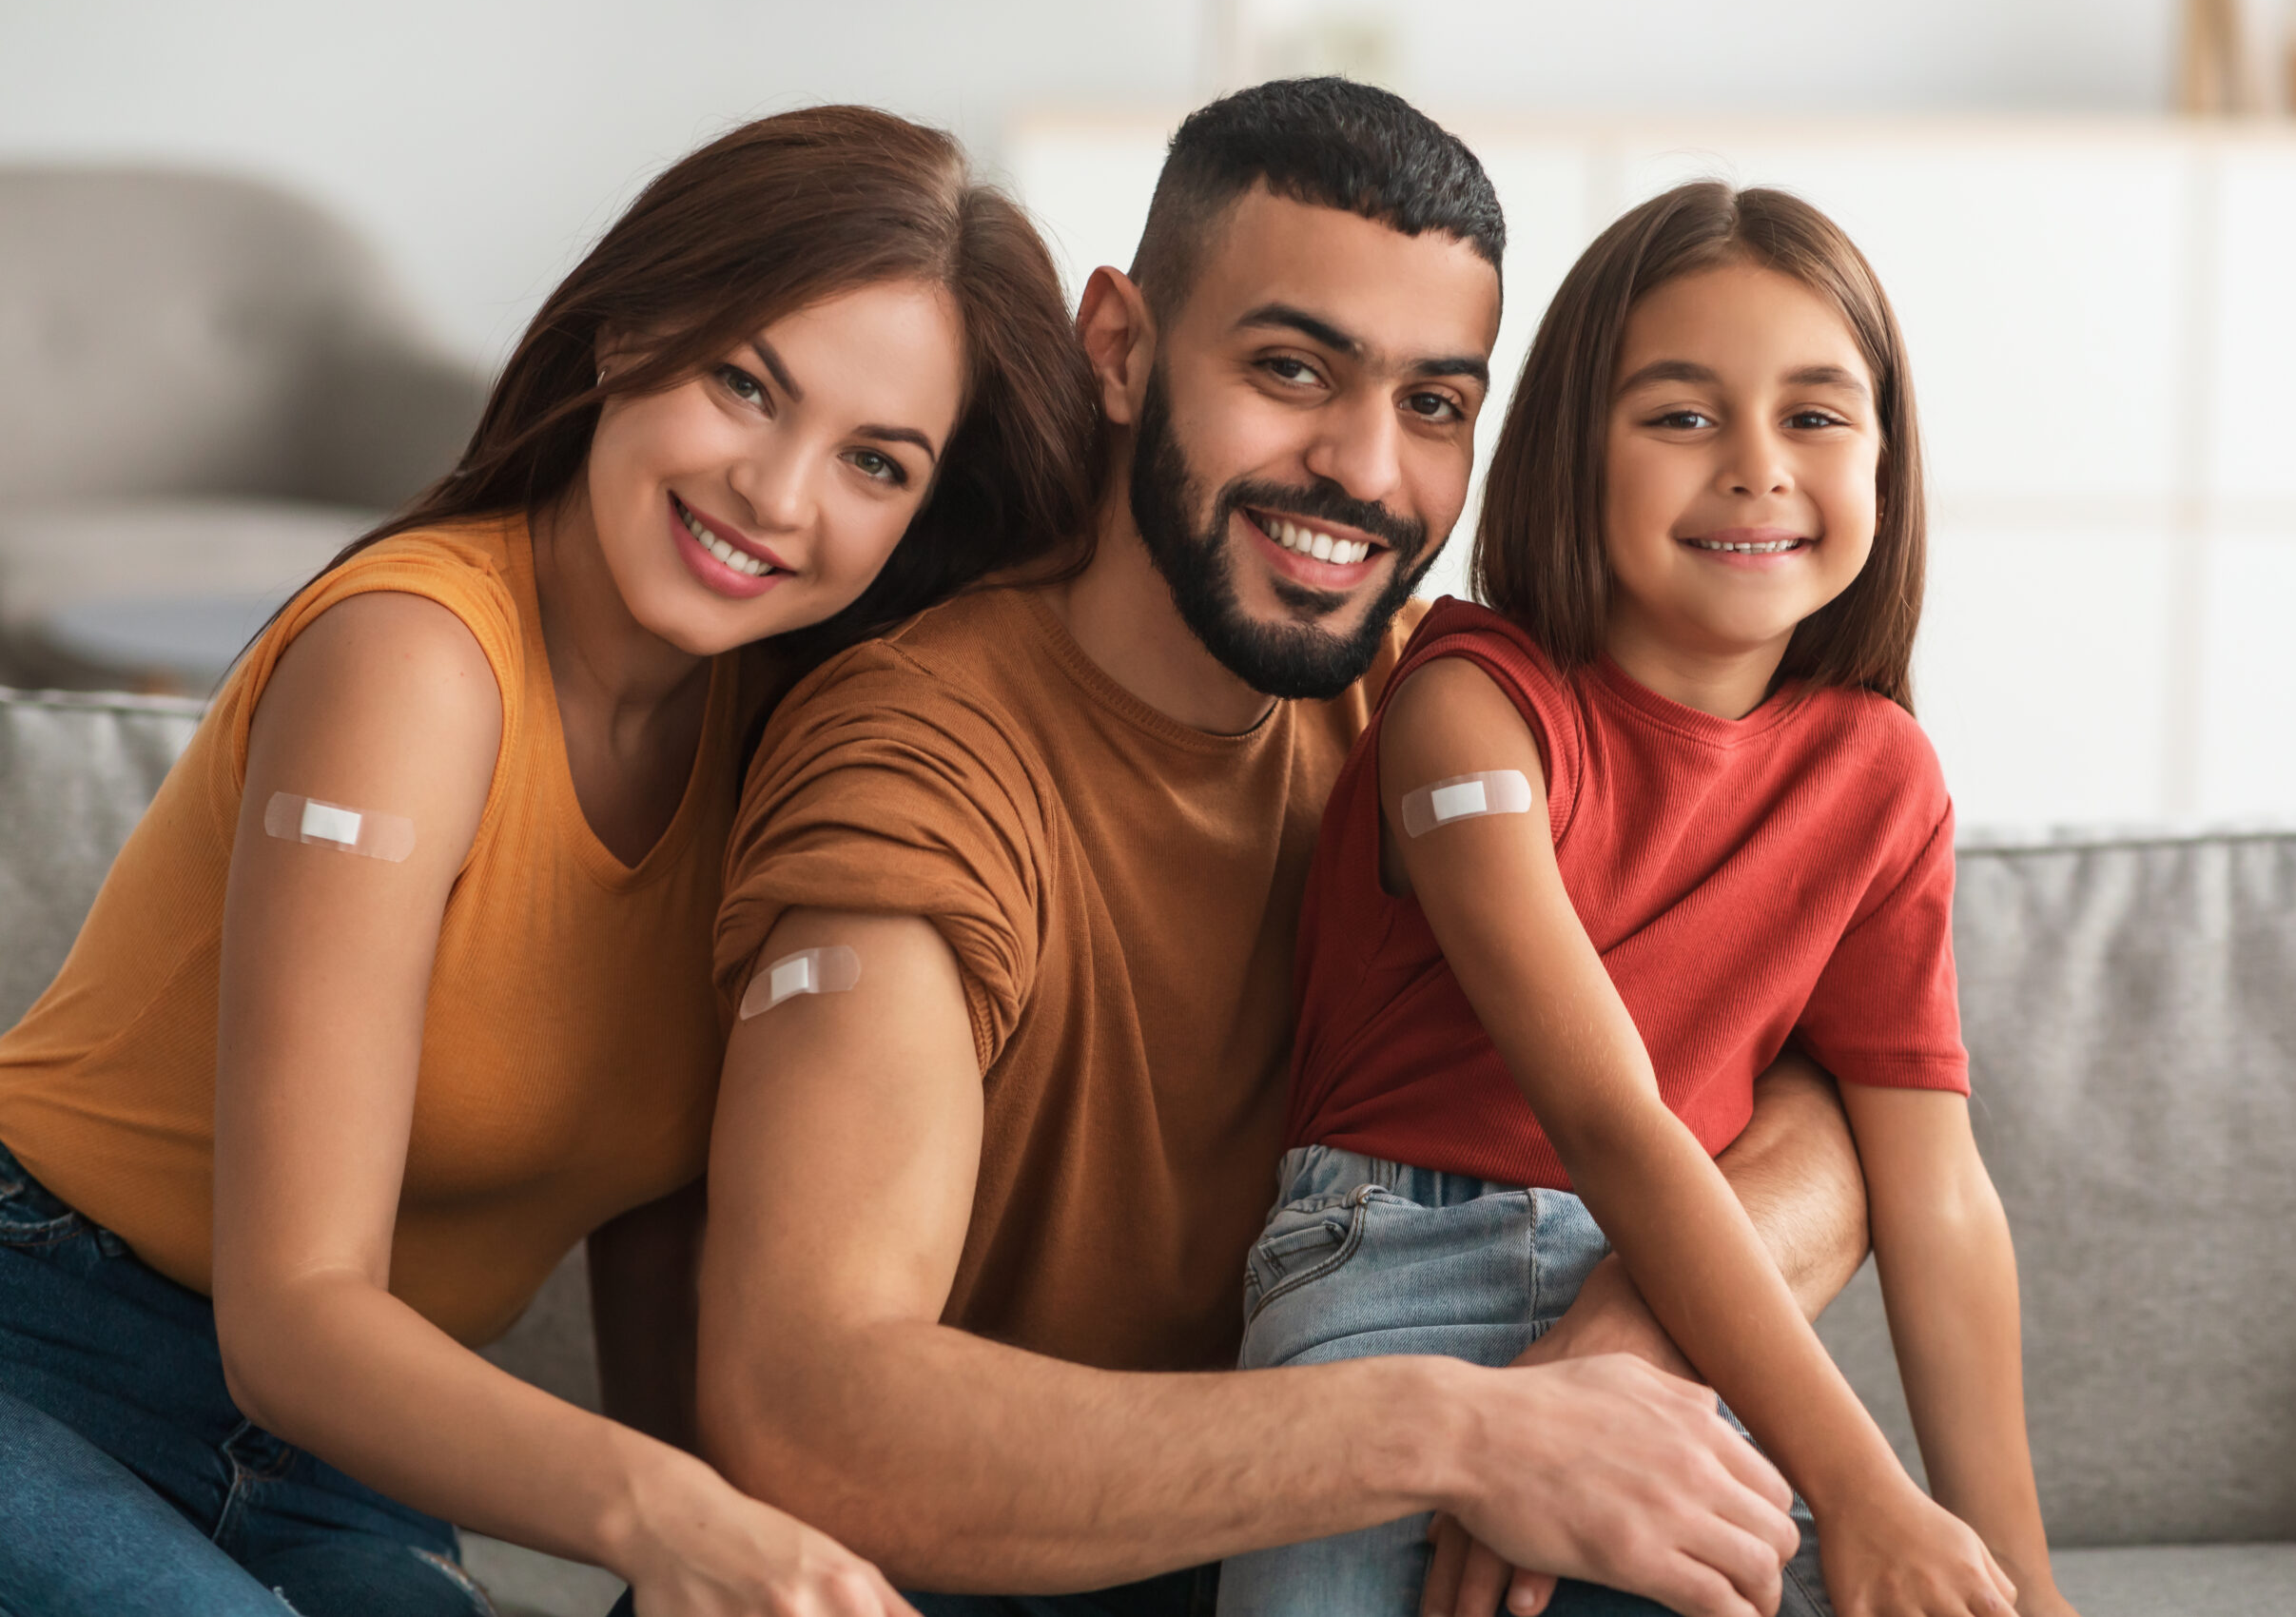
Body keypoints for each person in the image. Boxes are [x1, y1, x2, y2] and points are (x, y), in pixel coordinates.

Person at [694, 80, 1873, 1617]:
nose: (1367, 472)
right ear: (1119, 348)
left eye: (1435, 404)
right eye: (1292, 369)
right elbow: (808, 1413)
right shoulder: (920, 766)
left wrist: (1625, 1334)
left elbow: (1832, 1122)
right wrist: (1459, 1430)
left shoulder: (1435, 705)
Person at [0, 106, 1096, 1617]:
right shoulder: (415, 661)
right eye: (744, 384)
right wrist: (668, 1516)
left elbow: (664, 1251)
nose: (778, 496)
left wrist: (751, 1556)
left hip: (347, 1458)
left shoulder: (783, 755)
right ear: (625, 329)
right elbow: (297, 1317)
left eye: (875, 462)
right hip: (47, 1338)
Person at [1217, 182, 2079, 1617]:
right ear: (1569, 450)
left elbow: (1935, 1196)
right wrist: (1864, 1489)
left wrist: (2019, 1582)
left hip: (1689, 1319)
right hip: (1391, 1284)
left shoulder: (1881, 778)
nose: (1756, 470)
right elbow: (1610, 1118)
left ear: (1888, 459)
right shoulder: (1470, 703)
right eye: (1681, 416)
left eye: (1816, 416)